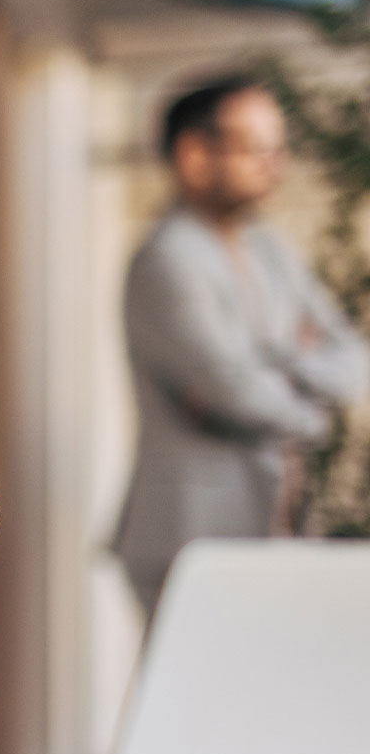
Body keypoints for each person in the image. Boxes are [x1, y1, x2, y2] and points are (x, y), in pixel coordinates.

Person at [114, 76, 370, 623]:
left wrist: (275, 359)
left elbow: (351, 356)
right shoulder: (168, 259)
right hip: (190, 534)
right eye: (255, 148)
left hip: (267, 527)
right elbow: (235, 389)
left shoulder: (267, 248)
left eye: (279, 148)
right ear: (194, 154)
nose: (274, 164)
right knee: (195, 703)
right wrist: (311, 406)